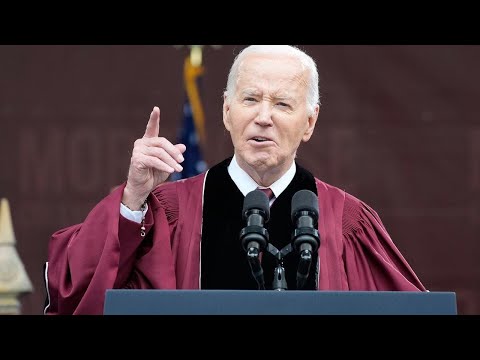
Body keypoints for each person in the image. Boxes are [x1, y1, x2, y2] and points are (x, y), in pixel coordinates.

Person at [44, 45, 426, 315]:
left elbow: (410, 310)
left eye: (282, 104)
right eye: (250, 99)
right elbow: (81, 296)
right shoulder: (166, 213)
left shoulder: (347, 223)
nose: (264, 117)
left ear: (309, 122)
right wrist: (133, 198)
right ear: (227, 112)